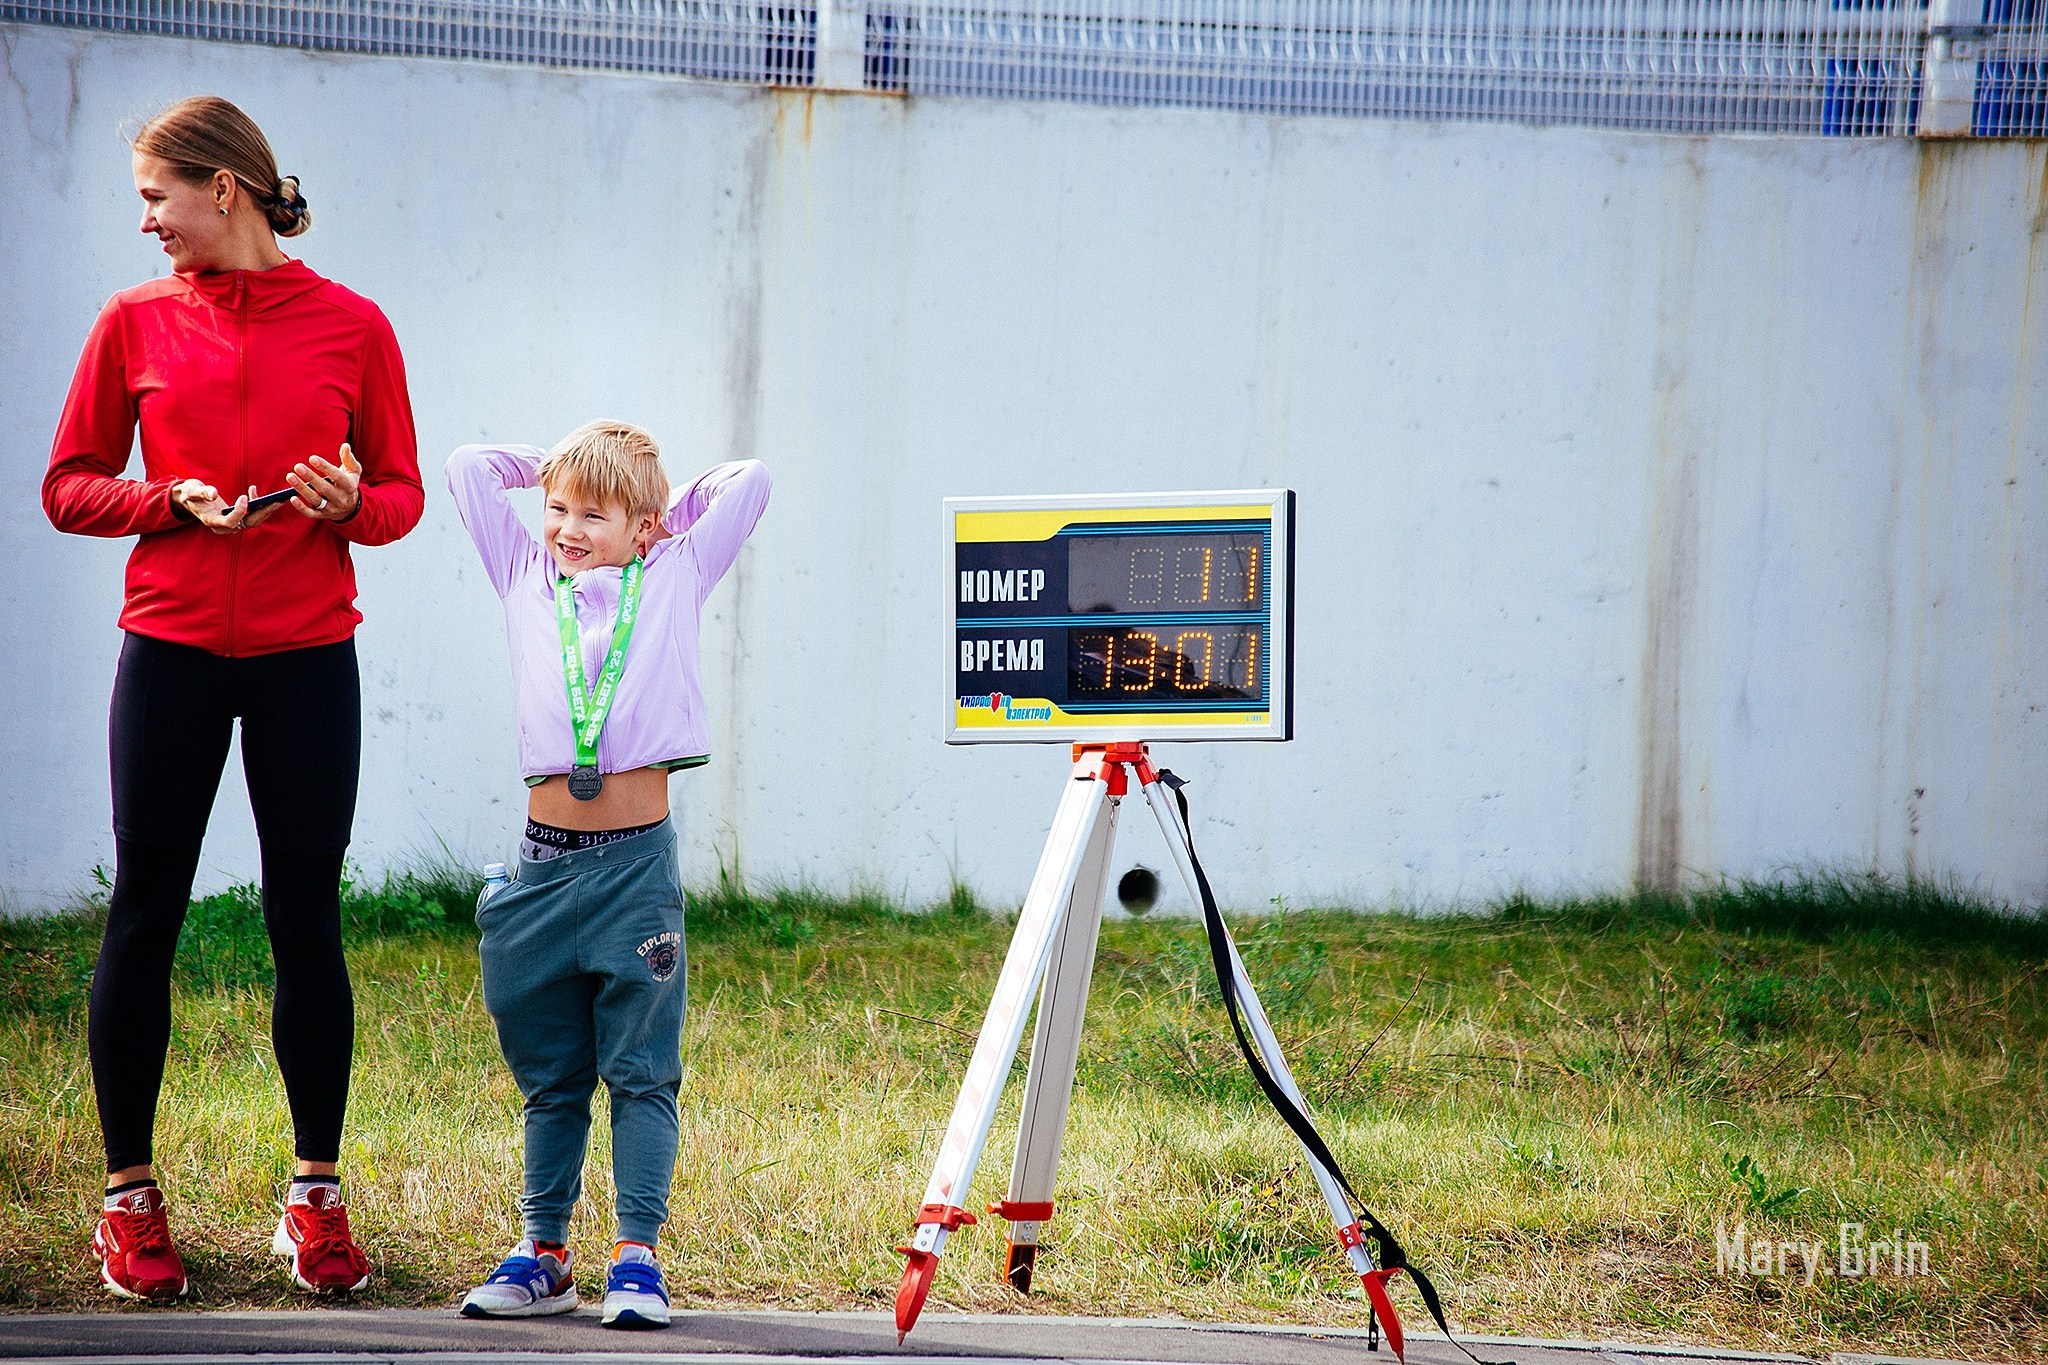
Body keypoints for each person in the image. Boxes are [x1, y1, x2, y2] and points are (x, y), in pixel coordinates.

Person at [41, 95, 424, 1300]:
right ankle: (129, 1200)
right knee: (143, 912)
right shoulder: (132, 322)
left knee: (305, 918)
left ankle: (313, 1196)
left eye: (159, 195)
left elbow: (401, 494)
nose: (147, 220)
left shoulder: (354, 326)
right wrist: (170, 500)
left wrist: (341, 505)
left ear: (228, 187)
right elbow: (67, 483)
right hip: (171, 650)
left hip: (310, 653)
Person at [445, 424, 768, 1327]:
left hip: (635, 871)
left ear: (644, 526)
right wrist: (549, 460)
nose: (568, 526)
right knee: (551, 1076)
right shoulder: (525, 579)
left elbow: (751, 480)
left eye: (595, 512)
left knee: (640, 1068)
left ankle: (637, 1253)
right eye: (557, 508)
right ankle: (544, 1250)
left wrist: (666, 510)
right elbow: (469, 471)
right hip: (543, 869)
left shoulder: (673, 575)